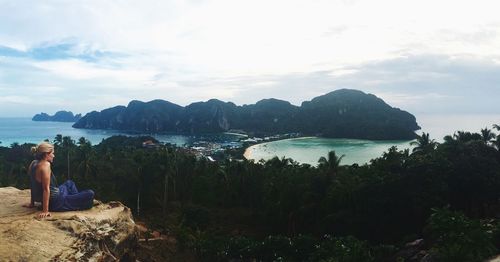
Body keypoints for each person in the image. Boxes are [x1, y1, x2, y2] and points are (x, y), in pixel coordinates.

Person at [23, 142, 95, 219]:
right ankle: (75, 202)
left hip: (56, 195)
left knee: (69, 183)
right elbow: (45, 189)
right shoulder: (45, 165)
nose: (54, 156)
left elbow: (33, 184)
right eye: (52, 153)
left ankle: (74, 200)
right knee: (90, 193)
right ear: (47, 154)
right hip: (56, 202)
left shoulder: (33, 163)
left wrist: (32, 203)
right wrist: (45, 211)